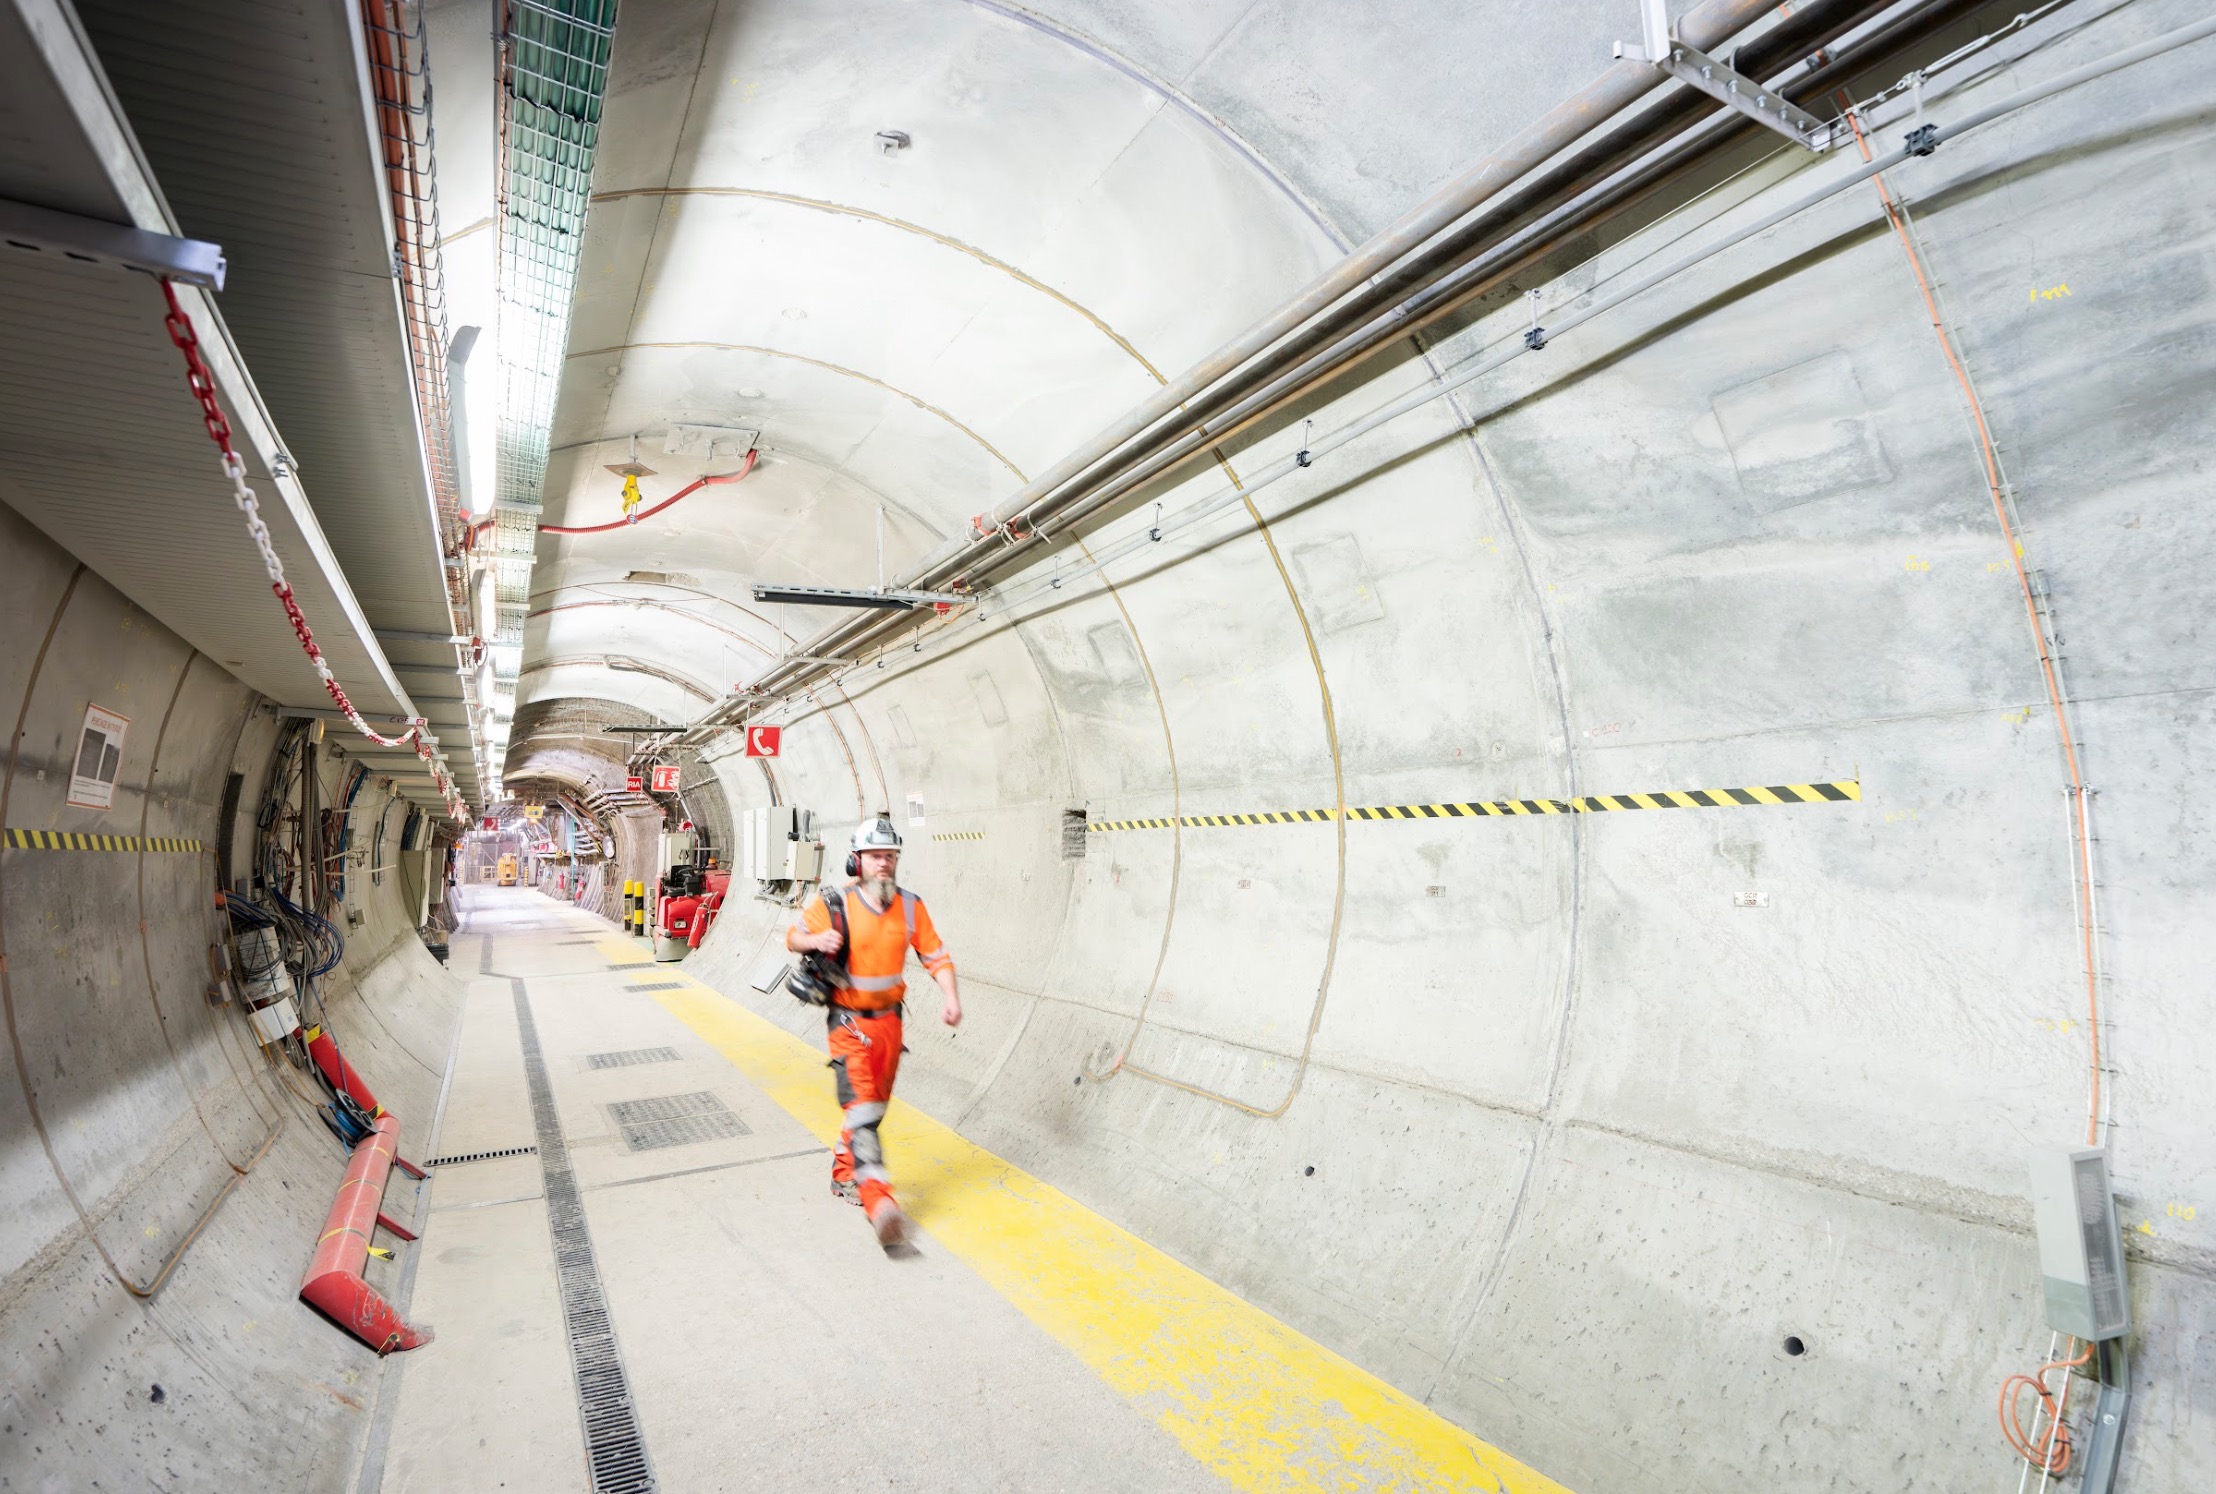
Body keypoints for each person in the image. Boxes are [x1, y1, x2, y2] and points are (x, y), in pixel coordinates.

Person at [787, 815, 960, 1248]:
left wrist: (950, 996)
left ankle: (844, 1173)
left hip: (890, 1024)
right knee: (863, 1108)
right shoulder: (835, 904)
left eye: (890, 856)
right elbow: (793, 937)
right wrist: (816, 941)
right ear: (857, 860)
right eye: (875, 856)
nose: (883, 863)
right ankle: (880, 1204)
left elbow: (935, 955)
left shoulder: (910, 906)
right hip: (848, 1023)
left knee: (872, 1107)